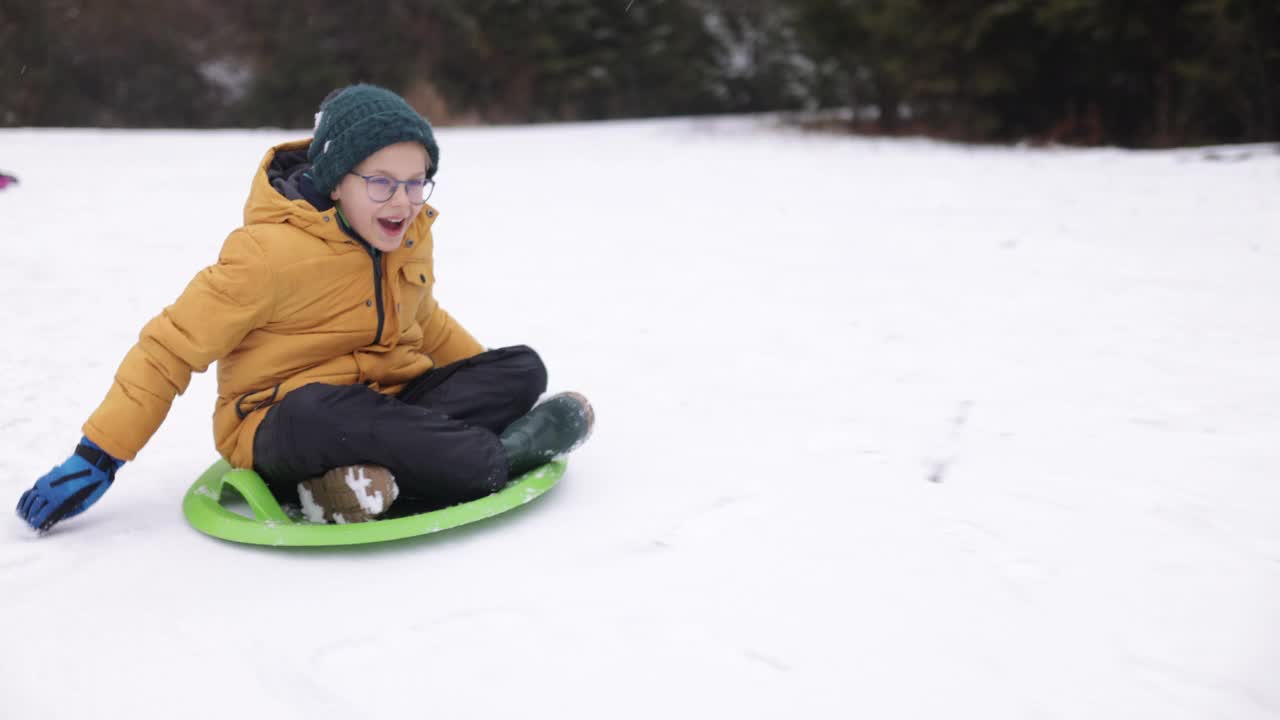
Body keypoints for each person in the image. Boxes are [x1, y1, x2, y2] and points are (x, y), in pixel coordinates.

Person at [16, 84, 594, 532]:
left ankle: (359, 485)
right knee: (322, 412)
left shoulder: (410, 235)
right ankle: (489, 459)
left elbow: (428, 322)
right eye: (381, 183)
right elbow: (168, 349)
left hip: (385, 402)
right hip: (286, 423)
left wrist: (487, 383)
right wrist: (98, 455)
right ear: (336, 180)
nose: (404, 202)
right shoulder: (266, 254)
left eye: (418, 183)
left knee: (522, 368)